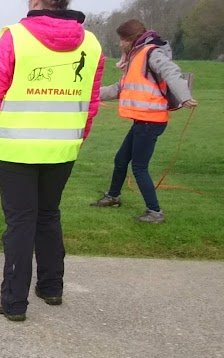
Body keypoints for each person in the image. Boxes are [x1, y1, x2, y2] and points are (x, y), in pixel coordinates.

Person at [0, 0, 104, 321]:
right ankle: (51, 287)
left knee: (20, 222)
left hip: (15, 149)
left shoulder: (15, 37)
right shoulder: (92, 44)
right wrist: (78, 138)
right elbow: (91, 102)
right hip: (63, 148)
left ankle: (13, 301)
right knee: (48, 215)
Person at [91, 19, 198, 223]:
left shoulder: (151, 53)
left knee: (139, 168)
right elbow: (120, 88)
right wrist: (90, 93)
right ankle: (113, 196)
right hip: (142, 121)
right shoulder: (136, 57)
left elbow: (171, 71)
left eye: (122, 39)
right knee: (121, 159)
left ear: (130, 39)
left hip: (151, 121)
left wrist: (184, 96)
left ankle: (155, 212)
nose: (120, 44)